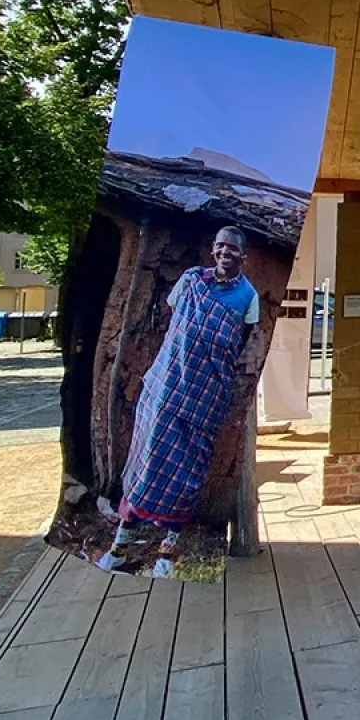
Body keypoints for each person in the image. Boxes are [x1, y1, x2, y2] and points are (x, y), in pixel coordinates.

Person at [99, 226, 259, 577]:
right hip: (167, 387)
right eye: (219, 246)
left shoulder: (248, 297)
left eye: (232, 249)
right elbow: (177, 323)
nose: (224, 253)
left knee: (187, 472)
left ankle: (166, 557)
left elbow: (238, 341)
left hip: (204, 397)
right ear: (213, 249)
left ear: (243, 256)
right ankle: (118, 549)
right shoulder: (189, 282)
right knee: (148, 462)